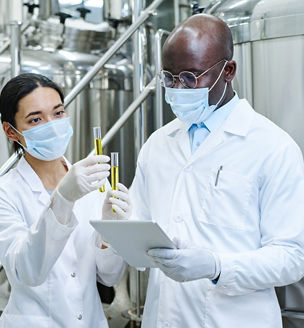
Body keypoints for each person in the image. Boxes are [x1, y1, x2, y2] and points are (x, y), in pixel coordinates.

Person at [130, 14, 304, 328]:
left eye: (190, 77)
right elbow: (137, 232)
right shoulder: (157, 144)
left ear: (228, 71)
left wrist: (216, 266)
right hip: (164, 318)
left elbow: (292, 258)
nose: (178, 88)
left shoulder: (273, 147)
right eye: (169, 78)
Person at [0, 73, 131, 328]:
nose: (51, 124)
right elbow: (28, 271)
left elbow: (109, 276)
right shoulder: (1, 192)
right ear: (11, 131)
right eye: (36, 119)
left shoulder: (95, 183)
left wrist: (111, 233)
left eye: (59, 113)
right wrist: (64, 198)